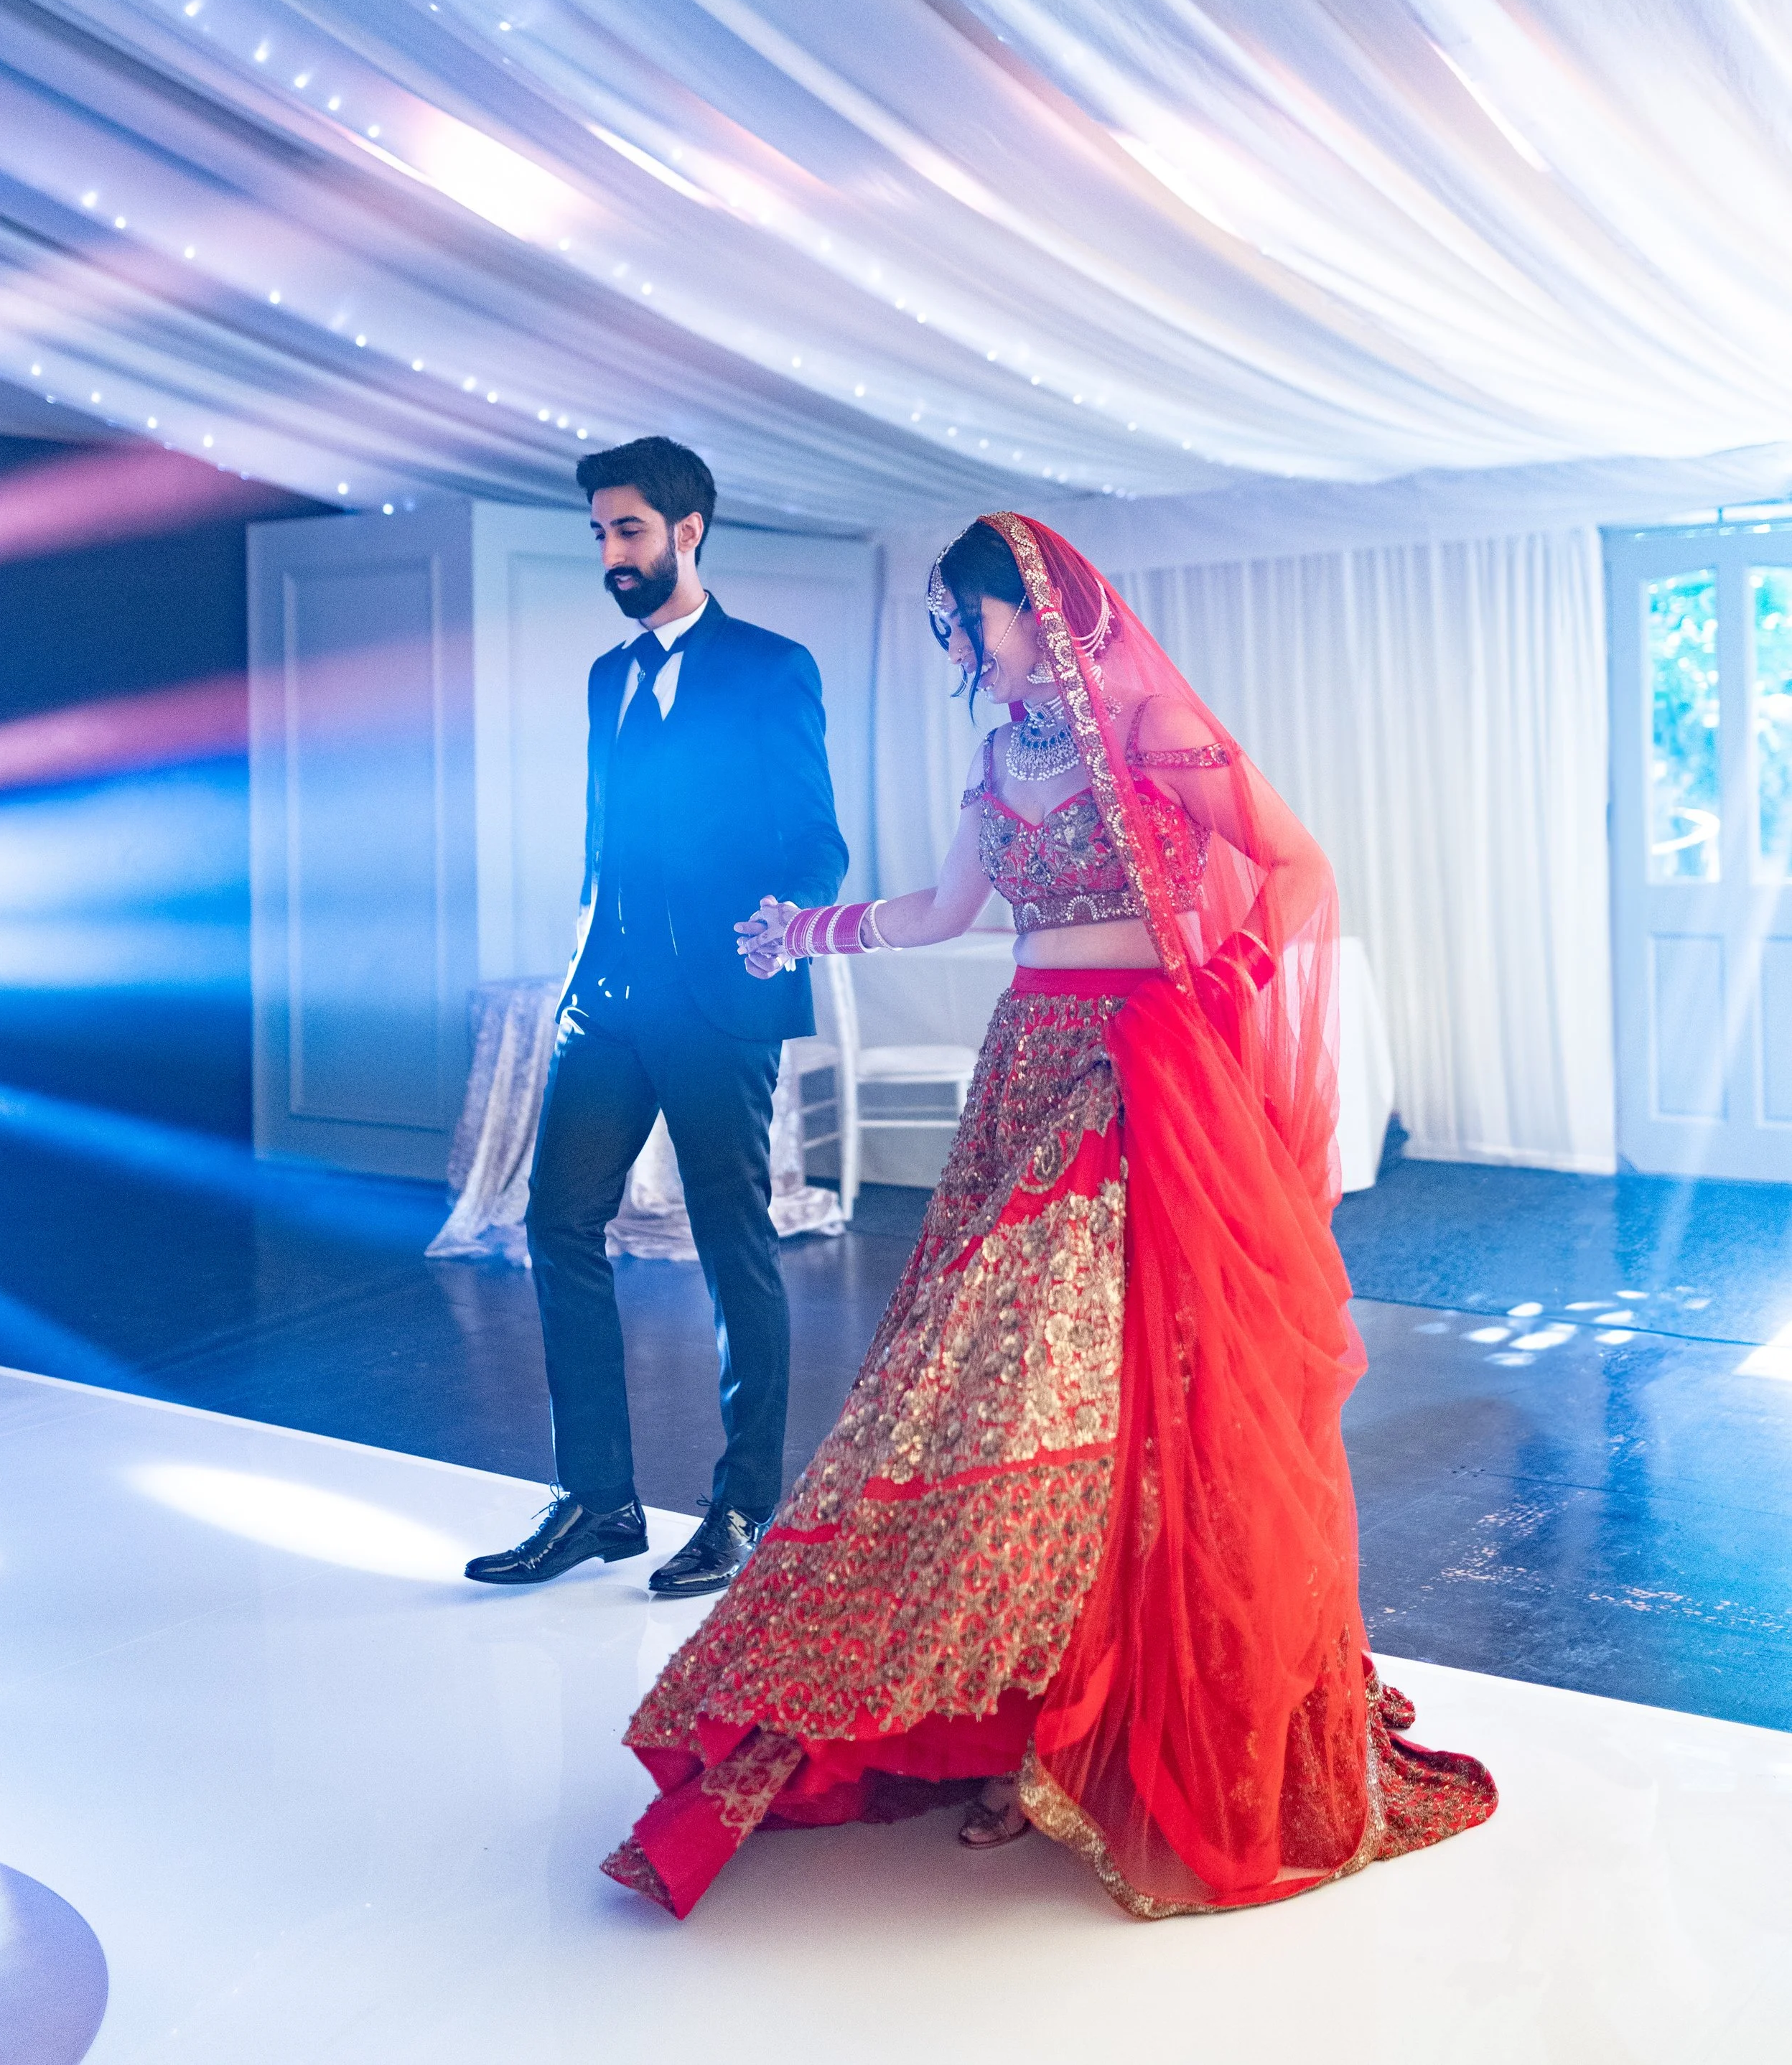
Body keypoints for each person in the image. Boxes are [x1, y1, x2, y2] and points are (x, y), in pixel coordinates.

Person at [602, 510, 1494, 1917]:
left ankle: (1093, 1731)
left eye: (962, 625)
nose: (954, 649)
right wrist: (807, 928)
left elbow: (1298, 866)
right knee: (979, 1405)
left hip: (1134, 1082)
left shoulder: (1146, 732)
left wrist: (1218, 986)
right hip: (1020, 1071)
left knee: (1073, 1397)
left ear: (1022, 609)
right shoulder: (996, 757)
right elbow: (946, 910)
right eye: (946, 634)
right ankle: (1016, 1715)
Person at [465, 438, 847, 1600]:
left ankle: (740, 1507)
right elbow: (604, 837)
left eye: (627, 530)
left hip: (719, 1001)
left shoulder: (773, 668)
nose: (610, 554)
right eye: (598, 533)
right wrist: (583, 957)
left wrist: (782, 922)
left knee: (735, 1248)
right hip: (608, 1001)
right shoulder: (605, 677)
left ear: (689, 531)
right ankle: (600, 1498)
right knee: (558, 1224)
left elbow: (817, 842)